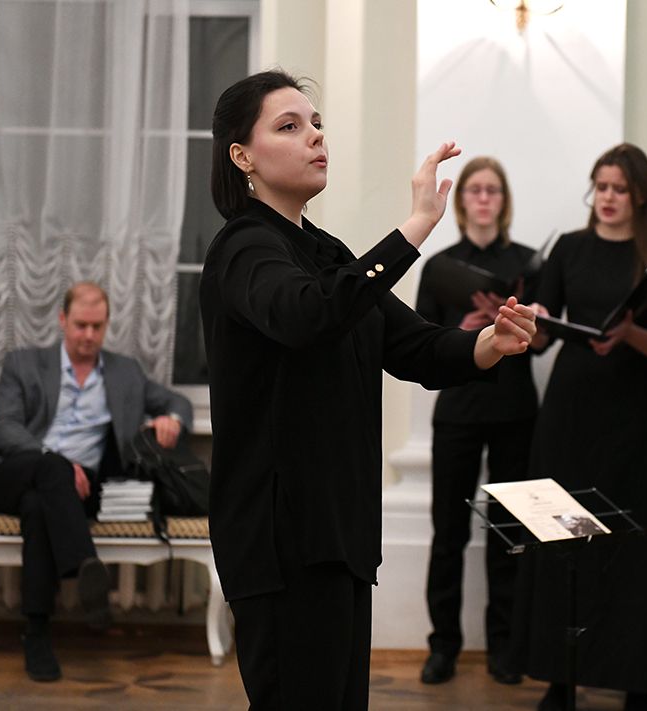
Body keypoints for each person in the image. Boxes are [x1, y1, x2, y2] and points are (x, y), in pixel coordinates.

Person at [199, 70, 537, 710]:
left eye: (316, 123)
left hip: (339, 530)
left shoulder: (326, 253)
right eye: (289, 126)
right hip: (280, 537)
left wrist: (491, 342)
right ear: (242, 156)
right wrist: (416, 226)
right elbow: (308, 316)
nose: (315, 137)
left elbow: (416, 347)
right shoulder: (243, 247)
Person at [511, 143, 647, 711]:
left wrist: (629, 333)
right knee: (563, 543)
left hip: (635, 416)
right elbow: (543, 338)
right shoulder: (569, 247)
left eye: (618, 189)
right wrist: (531, 320)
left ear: (640, 196)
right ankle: (559, 678)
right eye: (600, 187)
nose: (606, 198)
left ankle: (636, 683)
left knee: (629, 548)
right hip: (571, 413)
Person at [0, 282, 193, 682]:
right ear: (63, 320)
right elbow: (3, 427)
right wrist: (52, 460)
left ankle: (37, 635)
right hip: (15, 474)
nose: (88, 335)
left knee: (39, 506)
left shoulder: (125, 373)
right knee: (51, 470)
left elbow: (178, 402)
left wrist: (172, 421)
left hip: (80, 490)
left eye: (97, 326)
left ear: (107, 324)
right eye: (80, 325)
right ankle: (84, 563)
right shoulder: (24, 364)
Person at [415, 156, 538, 686]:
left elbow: (545, 339)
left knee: (510, 532)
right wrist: (466, 333)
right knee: (448, 532)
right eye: (475, 190)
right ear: (462, 201)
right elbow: (420, 342)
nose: (484, 199)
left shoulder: (529, 263)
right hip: (459, 412)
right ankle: (443, 646)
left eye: (493, 191)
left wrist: (520, 325)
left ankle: (505, 647)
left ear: (503, 201)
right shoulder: (440, 265)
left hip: (514, 411)